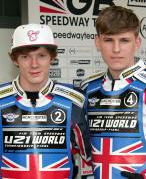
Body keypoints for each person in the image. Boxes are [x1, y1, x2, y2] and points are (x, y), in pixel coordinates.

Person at [80, 5, 146, 179]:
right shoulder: (88, 88)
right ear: (97, 42)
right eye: (108, 40)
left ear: (137, 42)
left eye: (124, 40)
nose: (116, 49)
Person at [0, 23, 91, 179]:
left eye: (41, 55)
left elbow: (89, 158)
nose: (34, 64)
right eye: (25, 56)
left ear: (52, 57)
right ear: (15, 60)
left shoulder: (74, 100)